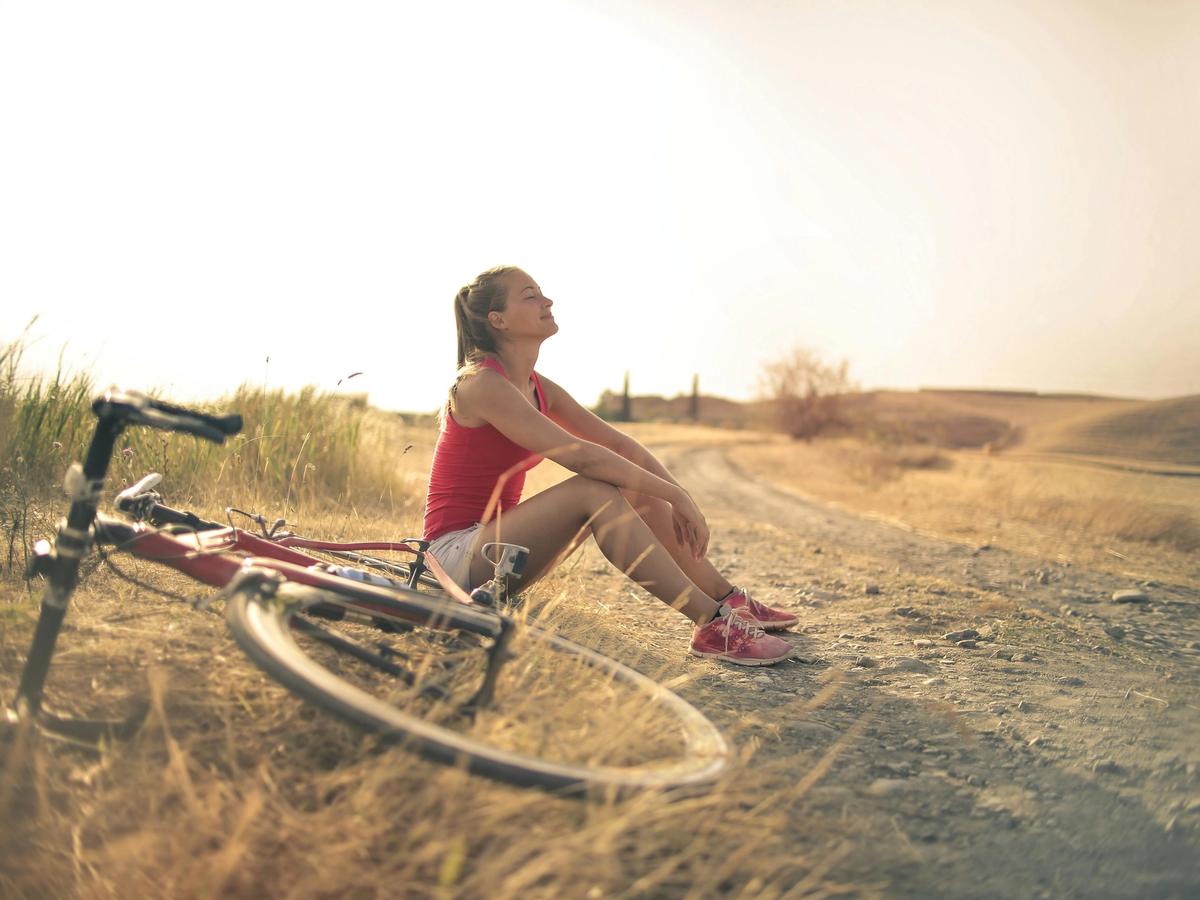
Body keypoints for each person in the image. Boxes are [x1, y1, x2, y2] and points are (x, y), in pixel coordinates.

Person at [422, 265, 799, 666]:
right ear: (498, 320)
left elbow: (617, 443)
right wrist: (673, 494)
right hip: (453, 558)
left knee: (636, 485)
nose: (546, 301)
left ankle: (728, 600)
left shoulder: (536, 386)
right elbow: (580, 454)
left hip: (501, 555)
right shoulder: (481, 384)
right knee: (594, 488)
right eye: (530, 295)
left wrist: (676, 496)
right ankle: (710, 623)